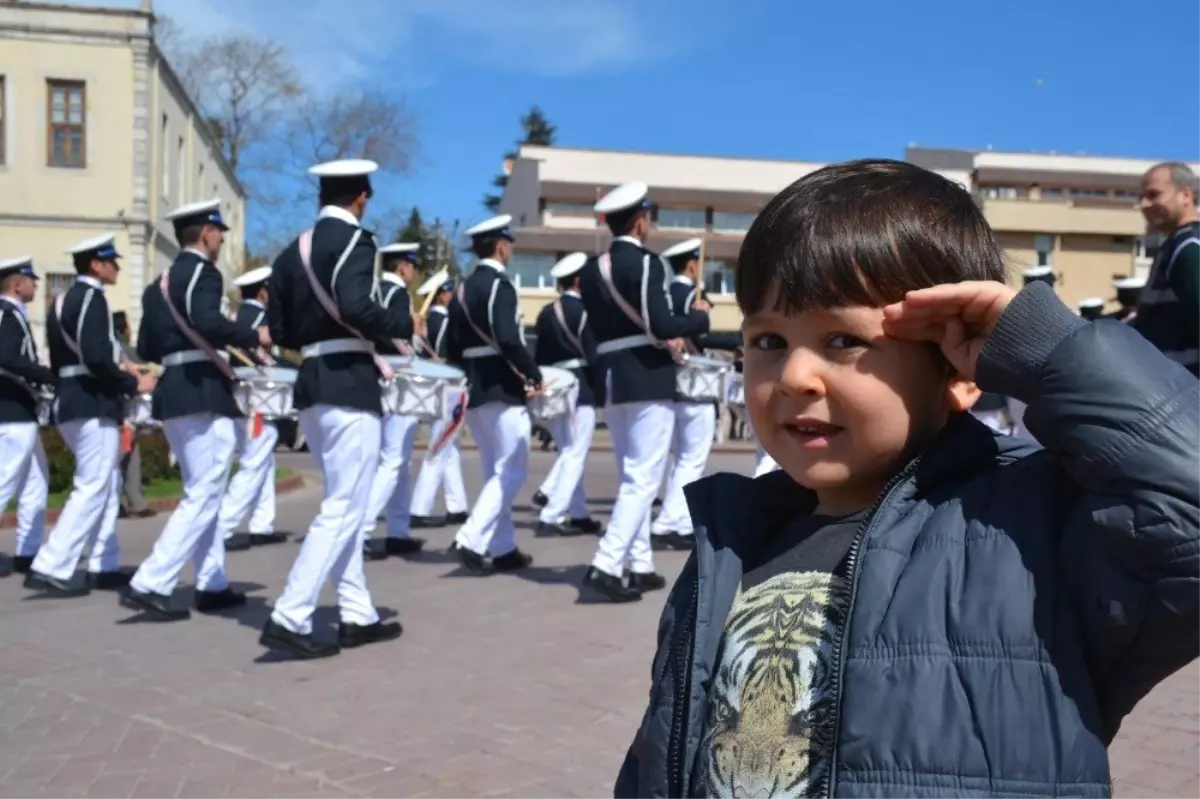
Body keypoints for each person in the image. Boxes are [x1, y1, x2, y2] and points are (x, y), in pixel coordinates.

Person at [614, 159, 1200, 798]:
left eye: (842, 340)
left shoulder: (1029, 530)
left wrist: (1045, 350)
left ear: (958, 370)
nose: (793, 377)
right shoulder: (729, 543)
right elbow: (662, 748)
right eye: (769, 341)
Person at [261, 158, 405, 659]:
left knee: (347, 502)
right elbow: (356, 306)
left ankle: (355, 611)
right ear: (361, 197)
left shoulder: (287, 255)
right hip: (348, 381)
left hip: (312, 384)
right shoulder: (356, 241)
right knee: (344, 506)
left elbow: (278, 333)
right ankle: (291, 613)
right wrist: (400, 322)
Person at [122, 200, 267, 621]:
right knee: (205, 492)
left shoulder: (158, 285)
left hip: (175, 392)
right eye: (219, 232)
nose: (221, 239)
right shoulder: (204, 273)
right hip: (203, 390)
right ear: (206, 233)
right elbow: (208, 321)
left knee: (201, 490)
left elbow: (148, 346)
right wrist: (252, 334)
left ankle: (212, 582)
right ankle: (152, 581)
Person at [577, 182, 710, 602]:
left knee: (630, 474)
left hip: (613, 377)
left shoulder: (591, 269)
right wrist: (699, 321)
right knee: (642, 478)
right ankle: (607, 563)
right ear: (639, 221)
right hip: (647, 375)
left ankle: (639, 563)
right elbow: (662, 327)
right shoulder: (648, 264)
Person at [26, 235, 154, 597]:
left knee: (106, 483)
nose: (117, 267)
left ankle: (104, 561)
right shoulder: (92, 299)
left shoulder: (64, 300)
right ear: (96, 265)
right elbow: (95, 357)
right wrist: (131, 380)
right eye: (111, 261)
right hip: (91, 401)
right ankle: (52, 564)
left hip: (73, 400)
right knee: (94, 484)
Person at [445, 214, 541, 575]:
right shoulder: (500, 286)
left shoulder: (462, 290)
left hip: (475, 388)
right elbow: (507, 337)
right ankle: (470, 539)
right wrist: (532, 372)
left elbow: (450, 345)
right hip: (502, 385)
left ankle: (502, 547)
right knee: (512, 470)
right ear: (501, 246)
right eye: (510, 244)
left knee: (494, 472)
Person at [649, 238, 742, 551]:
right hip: (694, 384)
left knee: (682, 458)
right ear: (690, 265)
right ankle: (670, 522)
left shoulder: (666, 294)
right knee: (692, 457)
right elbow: (698, 335)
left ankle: (674, 520)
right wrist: (734, 342)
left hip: (673, 384)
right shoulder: (690, 294)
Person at [359, 241, 425, 559]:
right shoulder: (397, 295)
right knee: (393, 459)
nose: (413, 273)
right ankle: (362, 530)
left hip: (378, 375)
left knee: (398, 458)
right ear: (402, 267)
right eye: (411, 267)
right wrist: (415, 354)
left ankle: (398, 530)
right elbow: (395, 335)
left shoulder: (373, 292)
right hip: (398, 375)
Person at [531, 252, 603, 537]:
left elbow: (539, 355)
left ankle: (578, 511)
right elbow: (594, 354)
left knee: (569, 451)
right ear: (577, 280)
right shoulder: (585, 311)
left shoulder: (546, 312)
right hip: (580, 387)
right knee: (575, 453)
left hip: (555, 385)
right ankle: (551, 511)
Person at [218, 266, 286, 552]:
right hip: (259, 399)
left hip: (241, 399)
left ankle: (262, 524)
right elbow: (266, 360)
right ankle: (224, 526)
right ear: (262, 291)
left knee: (263, 461)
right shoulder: (259, 319)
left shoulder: (237, 317)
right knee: (255, 461)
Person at [0, 256, 53, 574]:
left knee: (36, 481)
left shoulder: (10, 314)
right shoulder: (9, 315)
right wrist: (43, 374)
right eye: (31, 280)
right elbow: (5, 357)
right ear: (17, 285)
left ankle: (28, 551)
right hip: (12, 411)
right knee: (4, 480)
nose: (35, 285)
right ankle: (27, 550)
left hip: (20, 411)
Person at [408, 276, 469, 529]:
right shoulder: (442, 321)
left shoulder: (426, 322)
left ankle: (457, 506)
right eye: (449, 292)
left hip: (435, 388)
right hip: (448, 387)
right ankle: (420, 508)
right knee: (440, 446)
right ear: (441, 295)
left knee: (449, 448)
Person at [1132, 162, 1200, 375]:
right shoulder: (1173, 246)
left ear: (1185, 195)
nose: (1144, 204)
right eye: (1141, 197)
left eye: (1153, 195)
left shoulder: (1188, 248)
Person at [111, 311, 156, 520]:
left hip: (127, 409)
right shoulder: (122, 349)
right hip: (123, 408)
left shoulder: (117, 347)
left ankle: (135, 501)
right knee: (119, 457)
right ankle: (116, 502)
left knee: (131, 455)